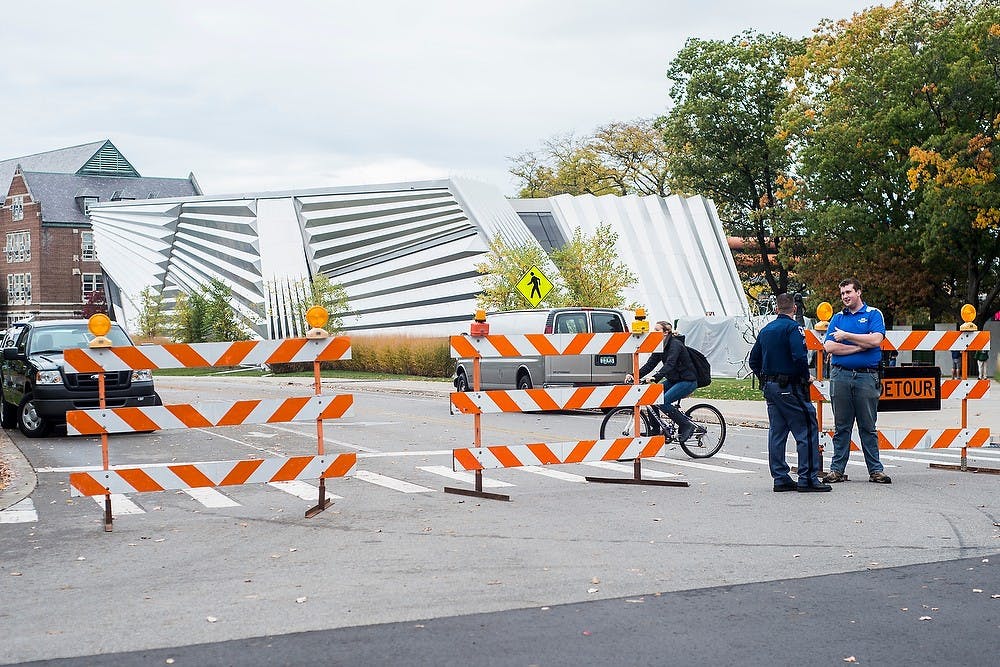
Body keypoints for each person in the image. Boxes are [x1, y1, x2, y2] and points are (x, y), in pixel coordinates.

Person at [749, 293, 831, 492]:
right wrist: (806, 377)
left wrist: (765, 379)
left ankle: (780, 477)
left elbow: (753, 360)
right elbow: (799, 357)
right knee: (808, 426)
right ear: (794, 309)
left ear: (777, 309)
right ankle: (808, 478)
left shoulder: (766, 330)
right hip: (790, 386)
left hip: (771, 386)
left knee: (777, 432)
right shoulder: (794, 329)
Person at [822, 278, 891, 484]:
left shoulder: (873, 314)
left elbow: (876, 340)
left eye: (849, 292)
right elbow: (830, 347)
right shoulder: (837, 318)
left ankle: (875, 470)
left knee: (867, 426)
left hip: (867, 376)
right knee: (842, 425)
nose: (845, 296)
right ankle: (837, 470)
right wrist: (859, 346)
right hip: (840, 375)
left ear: (859, 292)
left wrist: (846, 336)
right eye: (842, 293)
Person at [625, 320, 697, 443]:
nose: (654, 332)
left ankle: (686, 425)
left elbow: (670, 364)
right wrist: (634, 376)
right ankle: (655, 430)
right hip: (674, 380)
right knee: (650, 396)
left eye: (657, 330)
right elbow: (650, 364)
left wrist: (655, 377)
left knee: (663, 402)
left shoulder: (675, 345)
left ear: (666, 332)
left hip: (687, 381)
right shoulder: (660, 345)